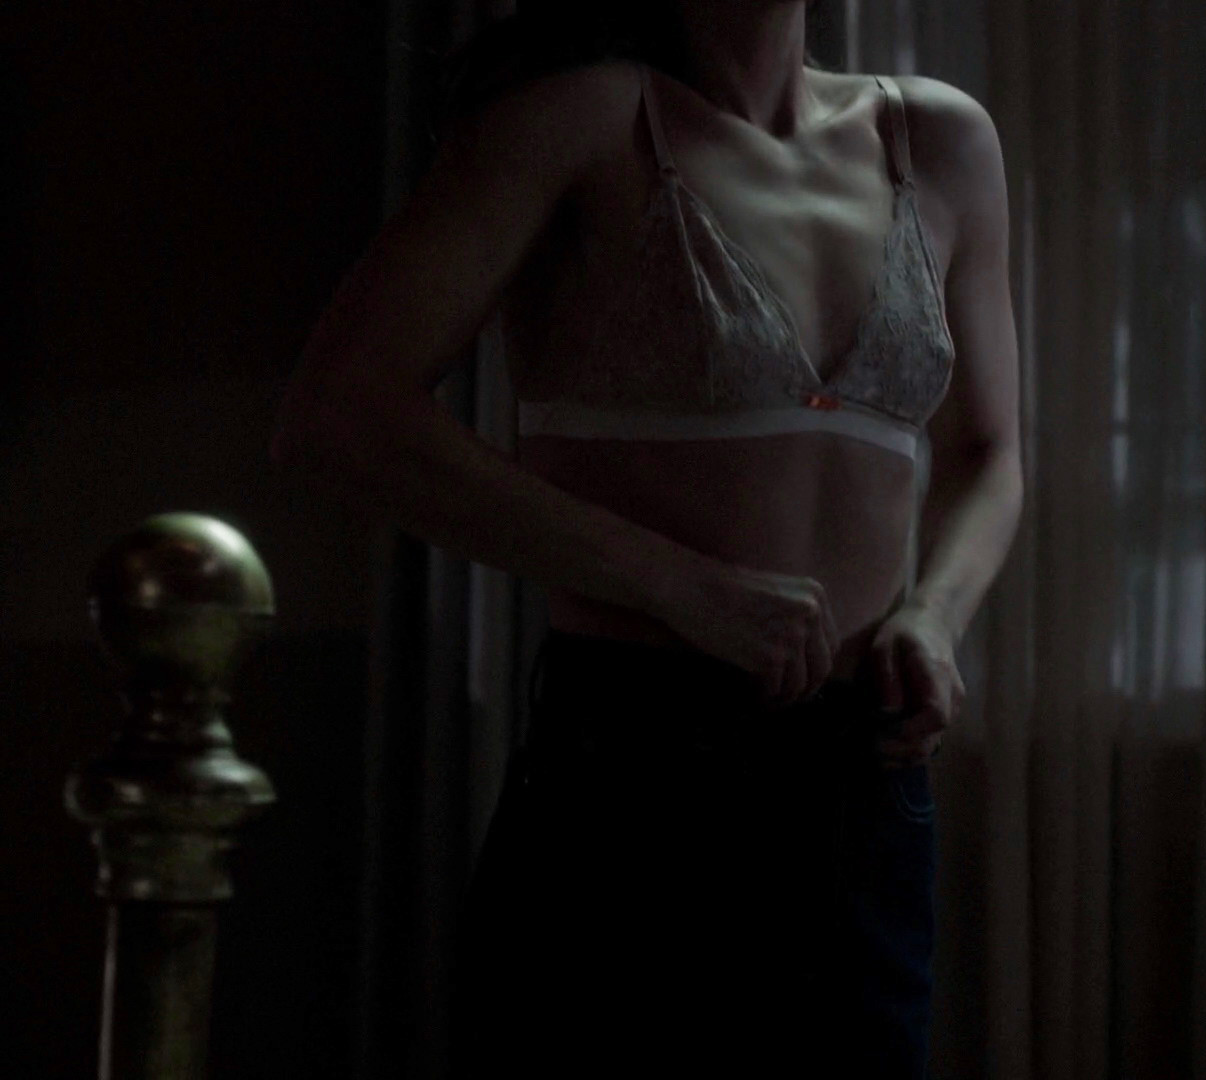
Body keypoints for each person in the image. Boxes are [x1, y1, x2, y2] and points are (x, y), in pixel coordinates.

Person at [268, 1, 1024, 1075]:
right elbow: (337, 412)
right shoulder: (580, 119)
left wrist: (935, 619)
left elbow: (989, 452)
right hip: (637, 768)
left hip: (860, 775)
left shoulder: (939, 138)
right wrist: (682, 587)